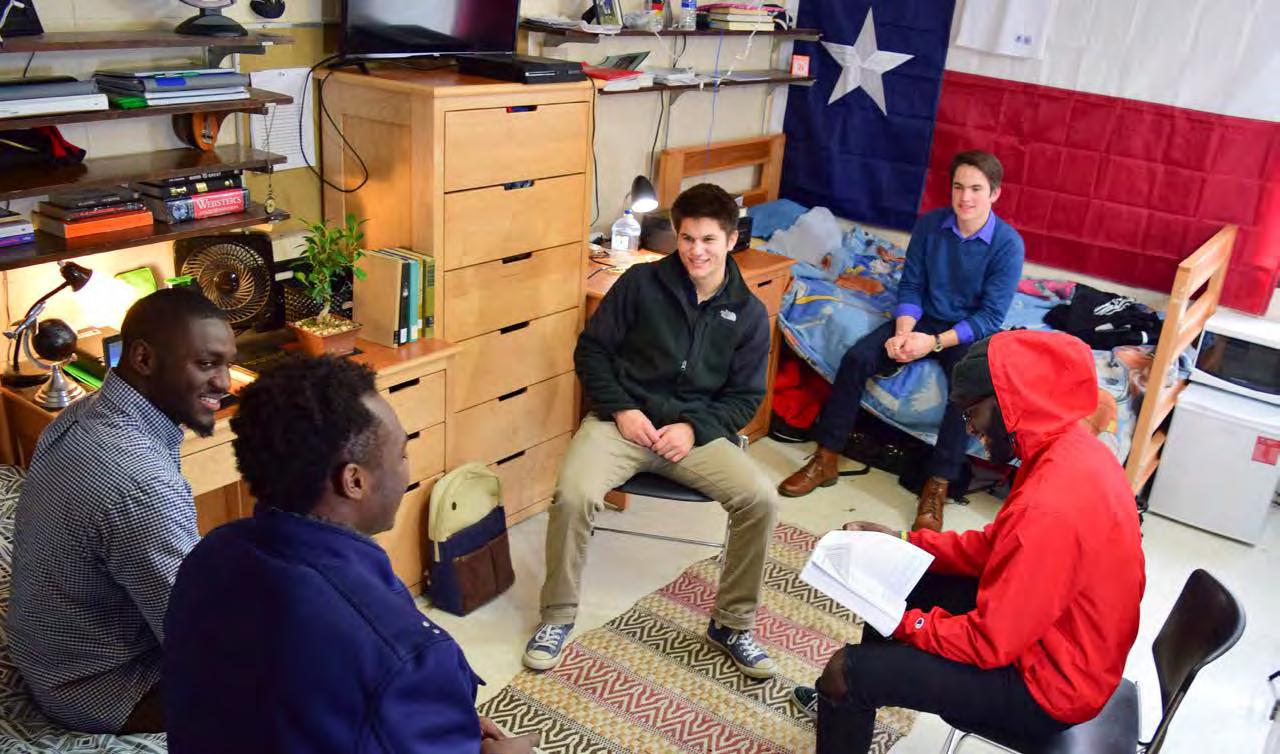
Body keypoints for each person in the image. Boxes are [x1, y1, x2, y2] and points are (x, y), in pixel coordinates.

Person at [792, 330, 1146, 754]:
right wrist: (903, 542)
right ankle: (852, 705)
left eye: (971, 413)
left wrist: (902, 622)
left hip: (1047, 689)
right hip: (1058, 643)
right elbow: (994, 548)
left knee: (843, 672)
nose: (971, 429)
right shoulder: (1068, 449)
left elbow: (988, 642)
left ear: (1009, 404)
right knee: (896, 578)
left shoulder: (1049, 506)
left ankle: (850, 690)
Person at [163, 355, 534, 754]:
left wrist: (434, 723)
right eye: (401, 455)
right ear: (354, 481)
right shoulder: (400, 654)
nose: (406, 470)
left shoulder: (211, 555)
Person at [525, 183, 779, 678]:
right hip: (622, 423)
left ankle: (731, 625)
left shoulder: (748, 313)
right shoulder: (641, 283)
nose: (696, 251)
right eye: (687, 238)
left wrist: (692, 428)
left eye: (708, 240)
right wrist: (621, 409)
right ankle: (557, 616)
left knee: (760, 500)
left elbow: (746, 397)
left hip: (694, 436)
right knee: (574, 495)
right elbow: (591, 351)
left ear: (732, 240)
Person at [7, 287, 235, 733]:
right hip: (104, 684)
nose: (225, 383)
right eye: (207, 364)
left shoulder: (80, 414)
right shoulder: (140, 484)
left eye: (227, 364)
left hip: (51, 653)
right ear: (144, 359)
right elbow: (201, 639)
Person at [778, 150, 1025, 532]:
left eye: (976, 189)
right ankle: (826, 457)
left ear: (994, 194)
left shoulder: (1008, 244)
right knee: (858, 358)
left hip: (965, 330)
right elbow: (910, 285)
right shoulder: (930, 226)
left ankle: (937, 484)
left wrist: (933, 343)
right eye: (958, 187)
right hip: (920, 317)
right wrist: (904, 332)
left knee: (968, 388)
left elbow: (989, 318)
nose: (965, 198)